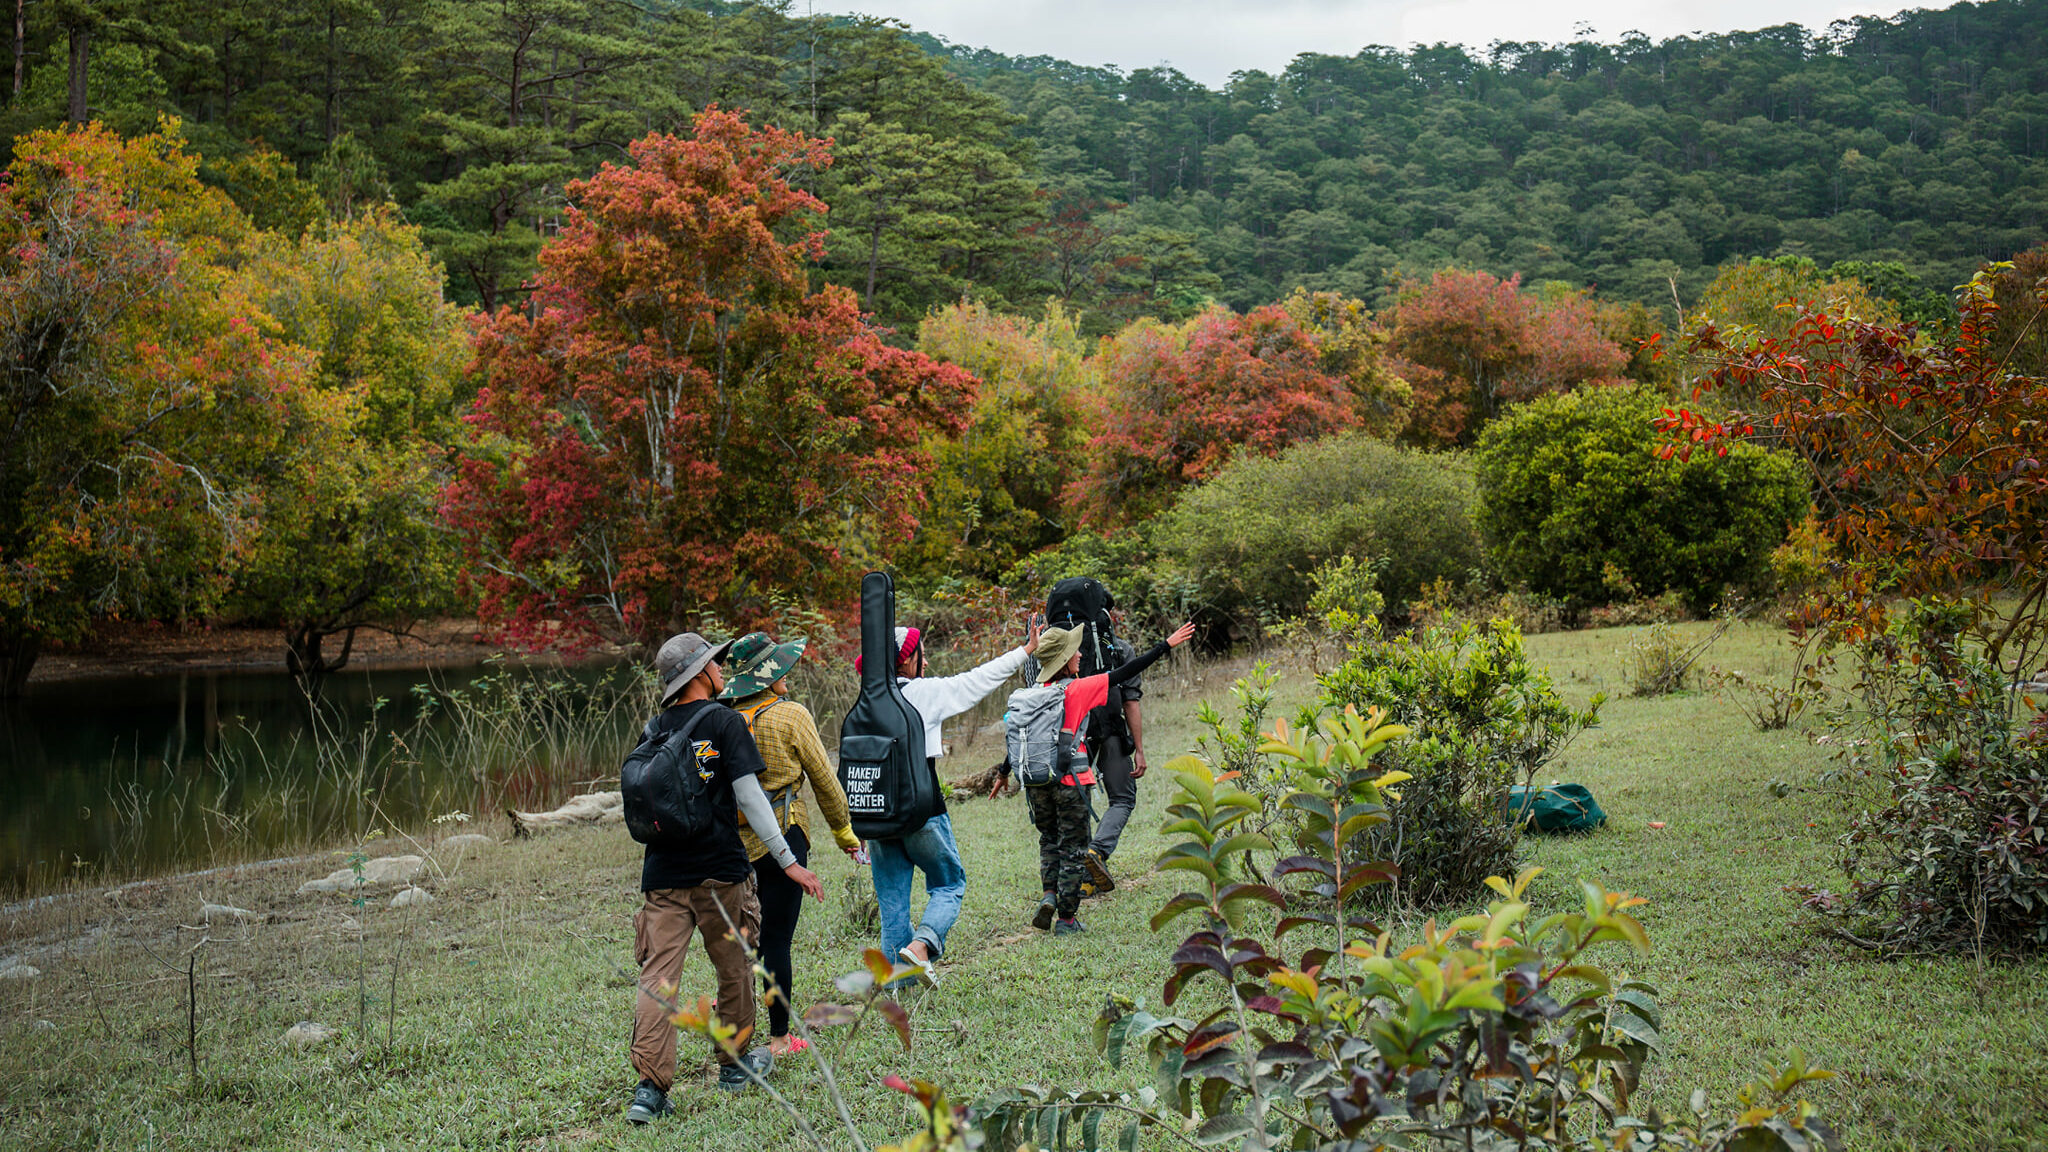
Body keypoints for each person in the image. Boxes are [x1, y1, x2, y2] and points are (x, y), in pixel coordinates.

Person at [626, 633, 825, 1126]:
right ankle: (735, 1066)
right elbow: (752, 799)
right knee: (734, 967)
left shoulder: (652, 730)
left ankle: (649, 1090)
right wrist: (787, 860)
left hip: (662, 878)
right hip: (720, 872)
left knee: (658, 980)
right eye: (715, 662)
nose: (722, 669)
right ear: (699, 675)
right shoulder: (725, 721)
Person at [860, 622, 1038, 977]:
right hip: (921, 804)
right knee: (949, 883)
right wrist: (1026, 650)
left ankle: (899, 985)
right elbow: (978, 680)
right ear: (907, 660)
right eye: (920, 655)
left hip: (876, 812)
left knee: (892, 902)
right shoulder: (923, 693)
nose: (925, 664)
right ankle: (921, 945)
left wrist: (860, 821)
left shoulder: (867, 701)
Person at [719, 631, 863, 1058]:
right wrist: (844, 833)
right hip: (784, 838)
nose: (788, 673)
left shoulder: (721, 719)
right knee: (777, 941)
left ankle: (734, 1031)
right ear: (767, 677)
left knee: (742, 942)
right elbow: (825, 781)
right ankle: (780, 1038)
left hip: (732, 845)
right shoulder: (791, 715)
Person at [1003, 620, 1195, 935]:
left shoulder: (1030, 696)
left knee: (1049, 840)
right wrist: (1166, 645)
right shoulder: (1078, 689)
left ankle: (1049, 894)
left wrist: (1002, 771)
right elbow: (1124, 672)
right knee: (1075, 847)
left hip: (1037, 783)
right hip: (1070, 783)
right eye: (1074, 650)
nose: (1080, 654)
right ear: (1064, 661)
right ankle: (1066, 919)